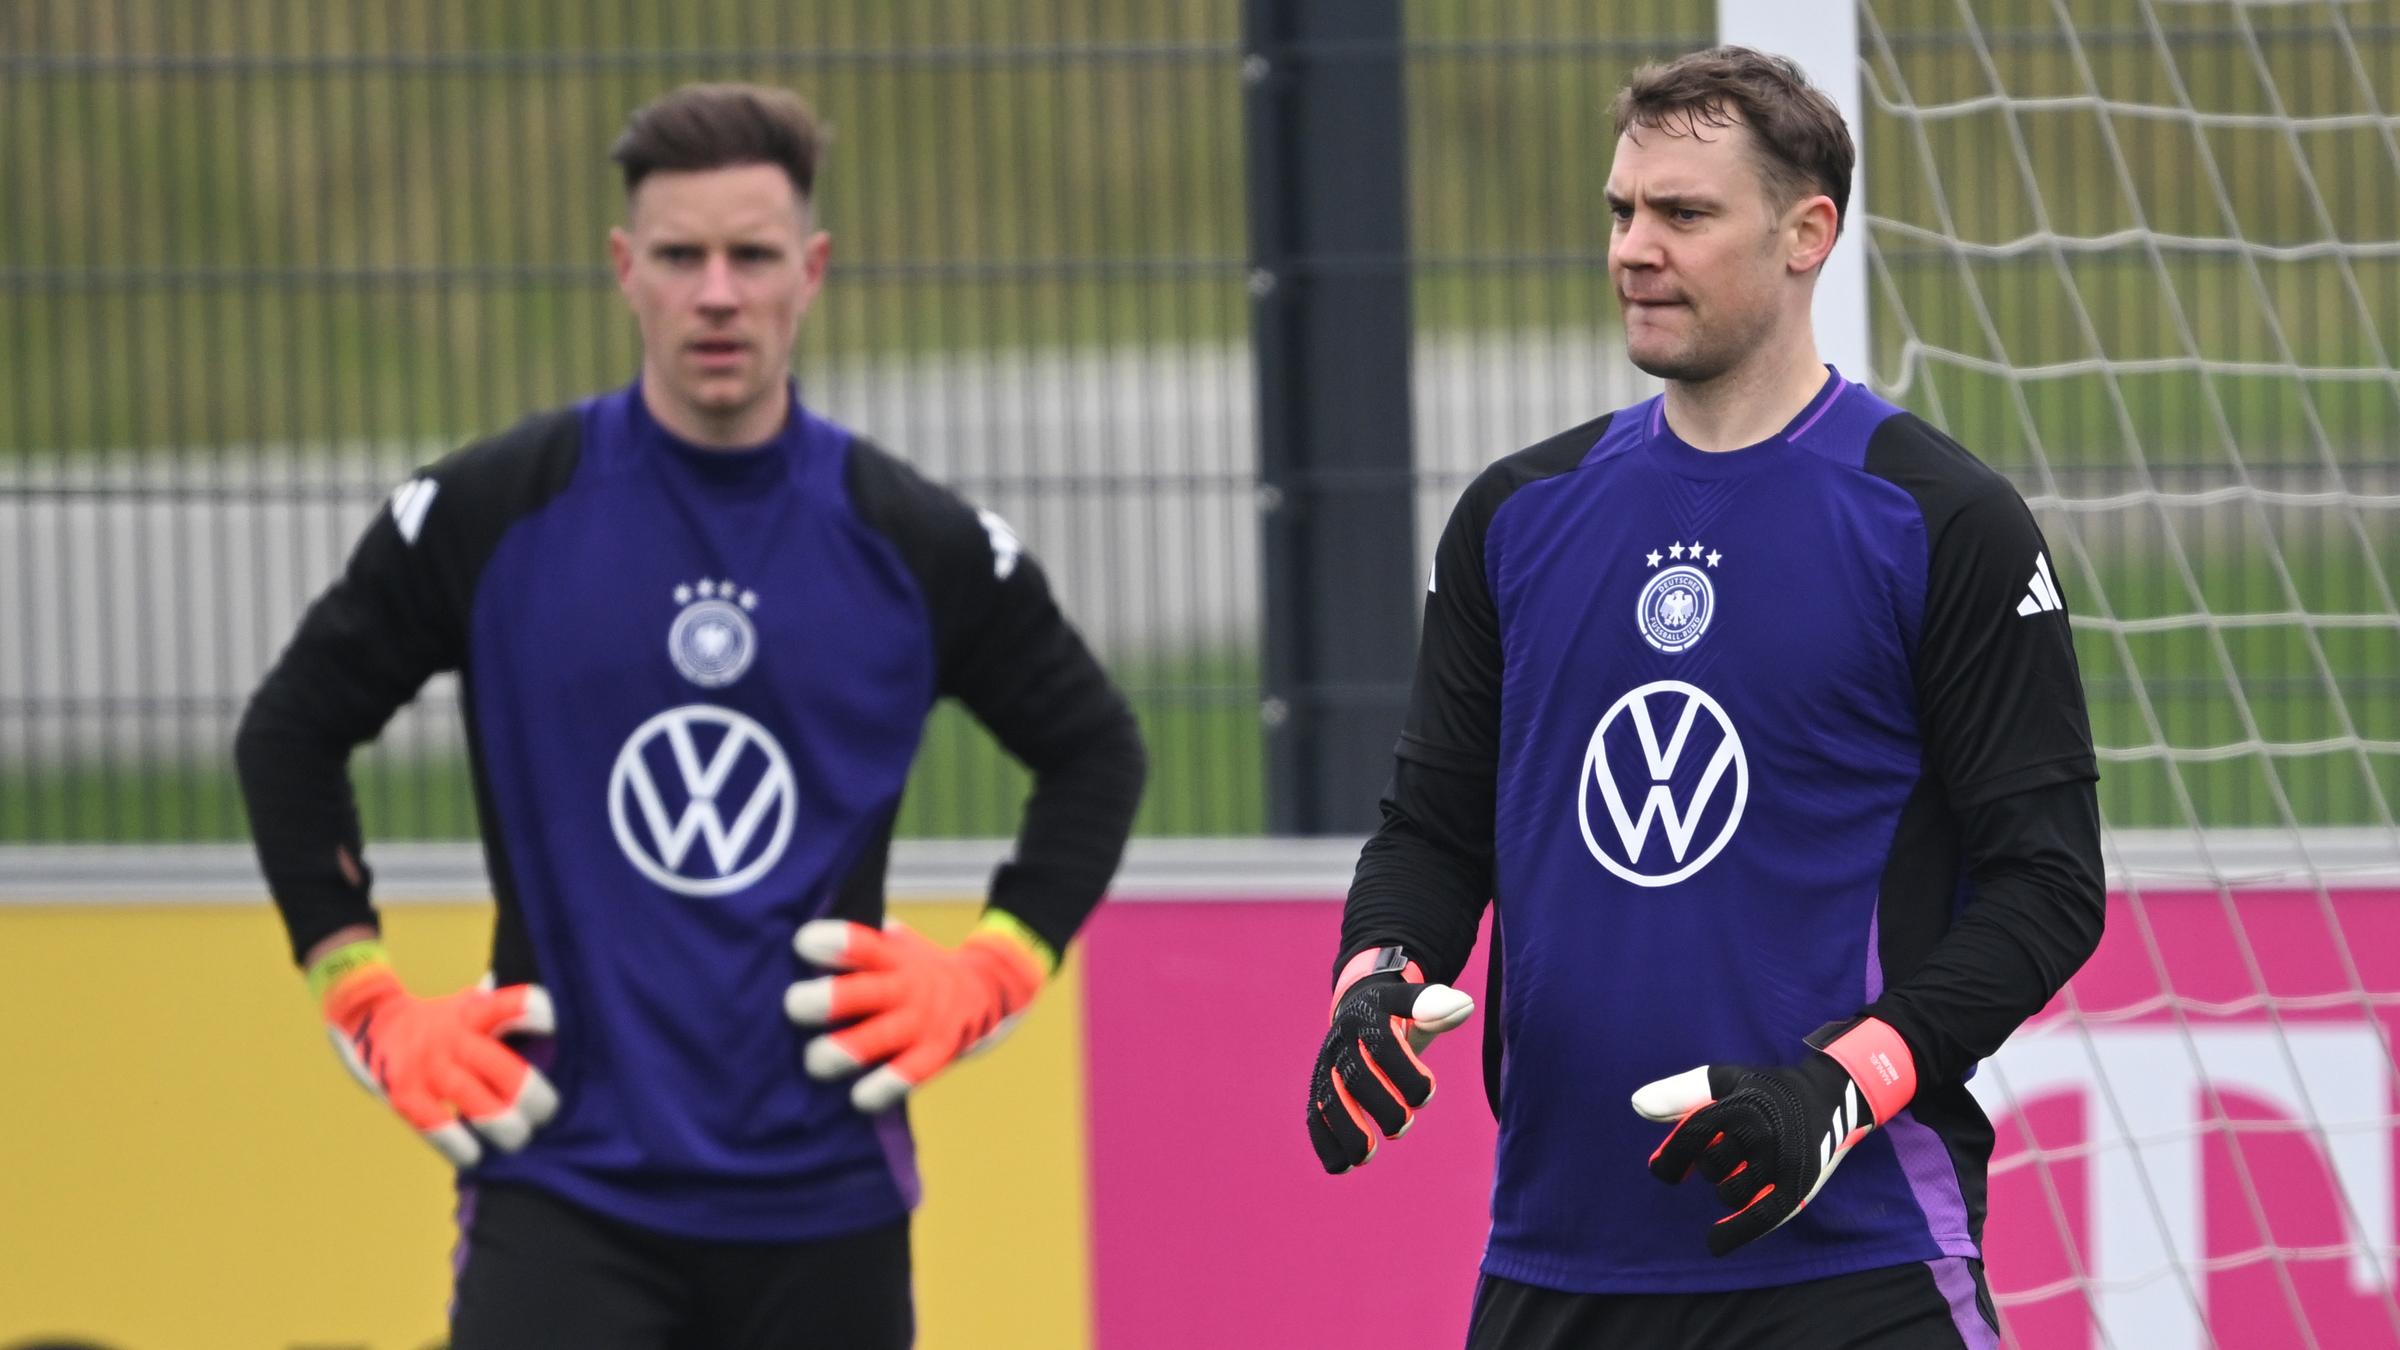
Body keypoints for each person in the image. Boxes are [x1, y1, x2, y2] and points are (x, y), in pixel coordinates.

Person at [235, 83, 1146, 1350]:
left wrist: (991, 970)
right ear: (625, 270)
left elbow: (1097, 749)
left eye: (752, 256)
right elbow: (289, 732)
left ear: (810, 272)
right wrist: (367, 998)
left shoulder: (910, 544)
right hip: (562, 1190)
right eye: (680, 257)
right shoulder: (495, 515)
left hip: (826, 1199)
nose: (717, 293)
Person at [1303, 46, 2103, 1350]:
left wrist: (1840, 1087)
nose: (1634, 247)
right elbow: (1435, 833)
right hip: (1560, 1259)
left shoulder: (1941, 519)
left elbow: (2048, 886)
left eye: (1683, 214)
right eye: (1623, 210)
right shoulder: (1517, 516)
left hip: (1858, 1261)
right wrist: (1375, 981)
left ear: (1807, 233)